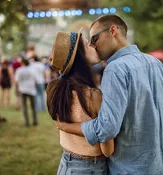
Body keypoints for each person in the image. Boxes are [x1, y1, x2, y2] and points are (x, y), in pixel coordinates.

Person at [55, 15, 163, 175]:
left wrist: (66, 127)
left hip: (128, 169)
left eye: (95, 39)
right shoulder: (156, 63)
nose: (93, 45)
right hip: (162, 168)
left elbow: (107, 129)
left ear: (113, 31)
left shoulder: (115, 69)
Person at [47, 30, 114, 175]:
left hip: (66, 164)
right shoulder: (93, 96)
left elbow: (61, 124)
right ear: (80, 57)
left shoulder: (55, 90)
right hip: (90, 168)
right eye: (86, 44)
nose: (93, 45)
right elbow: (107, 151)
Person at [14, 59, 38, 127]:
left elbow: (16, 81)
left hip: (23, 90)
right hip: (31, 90)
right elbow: (36, 80)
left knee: (24, 107)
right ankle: (35, 121)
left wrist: (17, 88)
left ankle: (27, 122)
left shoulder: (19, 70)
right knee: (33, 107)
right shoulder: (32, 70)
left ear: (22, 63)